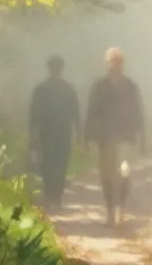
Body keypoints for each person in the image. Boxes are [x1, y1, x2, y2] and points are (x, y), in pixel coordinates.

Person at [84, 47, 145, 226]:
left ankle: (121, 208)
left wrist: (142, 138)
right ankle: (110, 209)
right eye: (111, 61)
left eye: (118, 62)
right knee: (106, 174)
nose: (115, 65)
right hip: (104, 139)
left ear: (122, 64)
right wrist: (86, 137)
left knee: (124, 172)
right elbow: (91, 111)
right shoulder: (100, 86)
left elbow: (139, 113)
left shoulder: (130, 87)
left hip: (125, 138)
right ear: (106, 64)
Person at [28, 54, 82, 209]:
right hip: (62, 132)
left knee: (48, 164)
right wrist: (78, 132)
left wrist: (32, 135)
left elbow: (34, 114)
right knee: (60, 164)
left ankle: (50, 195)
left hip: (47, 132)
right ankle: (55, 197)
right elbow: (75, 112)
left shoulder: (41, 88)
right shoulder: (67, 88)